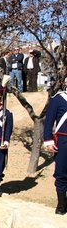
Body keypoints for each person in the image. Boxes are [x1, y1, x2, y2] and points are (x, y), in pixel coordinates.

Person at [43, 78, 67, 214]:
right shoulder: (58, 99)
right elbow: (49, 121)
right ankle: (61, 204)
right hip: (63, 140)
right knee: (62, 173)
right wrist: (48, 140)